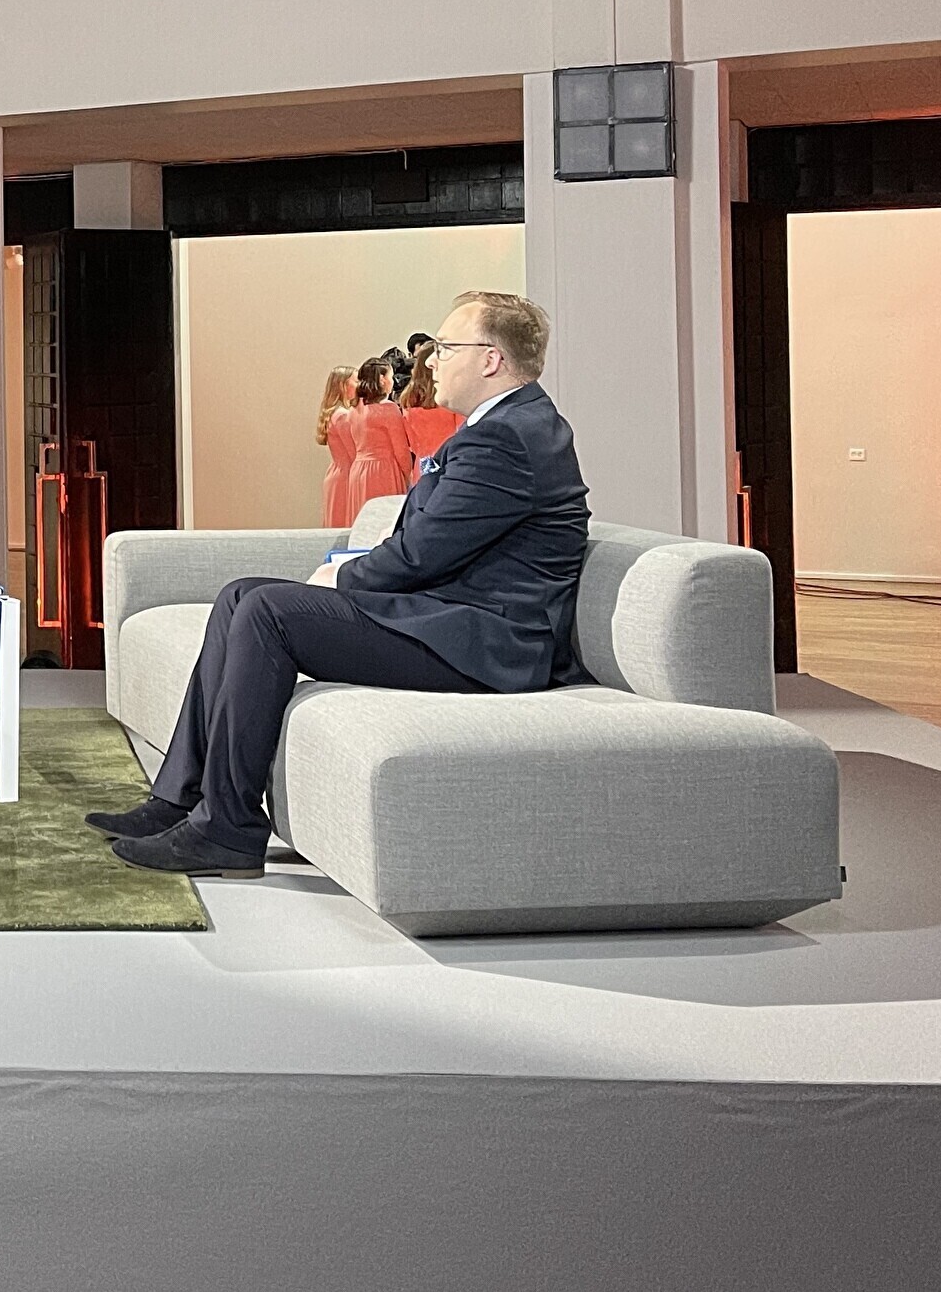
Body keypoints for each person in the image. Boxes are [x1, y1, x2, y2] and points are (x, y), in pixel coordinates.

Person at [91, 291, 589, 876]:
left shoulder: (507, 437)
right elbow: (433, 542)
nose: (430, 360)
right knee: (239, 595)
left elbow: (421, 553)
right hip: (450, 617)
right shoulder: (508, 424)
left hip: (484, 643)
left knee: (268, 613)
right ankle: (180, 799)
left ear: (490, 359)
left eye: (445, 347)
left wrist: (342, 576)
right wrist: (347, 569)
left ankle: (227, 828)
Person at [341, 355, 413, 520]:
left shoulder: (354, 409)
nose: (393, 381)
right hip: (383, 471)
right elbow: (401, 451)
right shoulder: (388, 409)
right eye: (390, 376)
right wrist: (408, 475)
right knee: (385, 521)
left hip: (359, 470)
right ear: (382, 379)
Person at [315, 366, 357, 526]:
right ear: (344, 386)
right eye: (356, 381)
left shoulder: (336, 413)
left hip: (338, 473)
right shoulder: (342, 416)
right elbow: (353, 452)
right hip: (345, 476)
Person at [402, 347, 459, 462]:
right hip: (450, 460)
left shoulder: (408, 400)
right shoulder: (452, 398)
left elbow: (412, 444)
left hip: (424, 463)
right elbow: (462, 434)